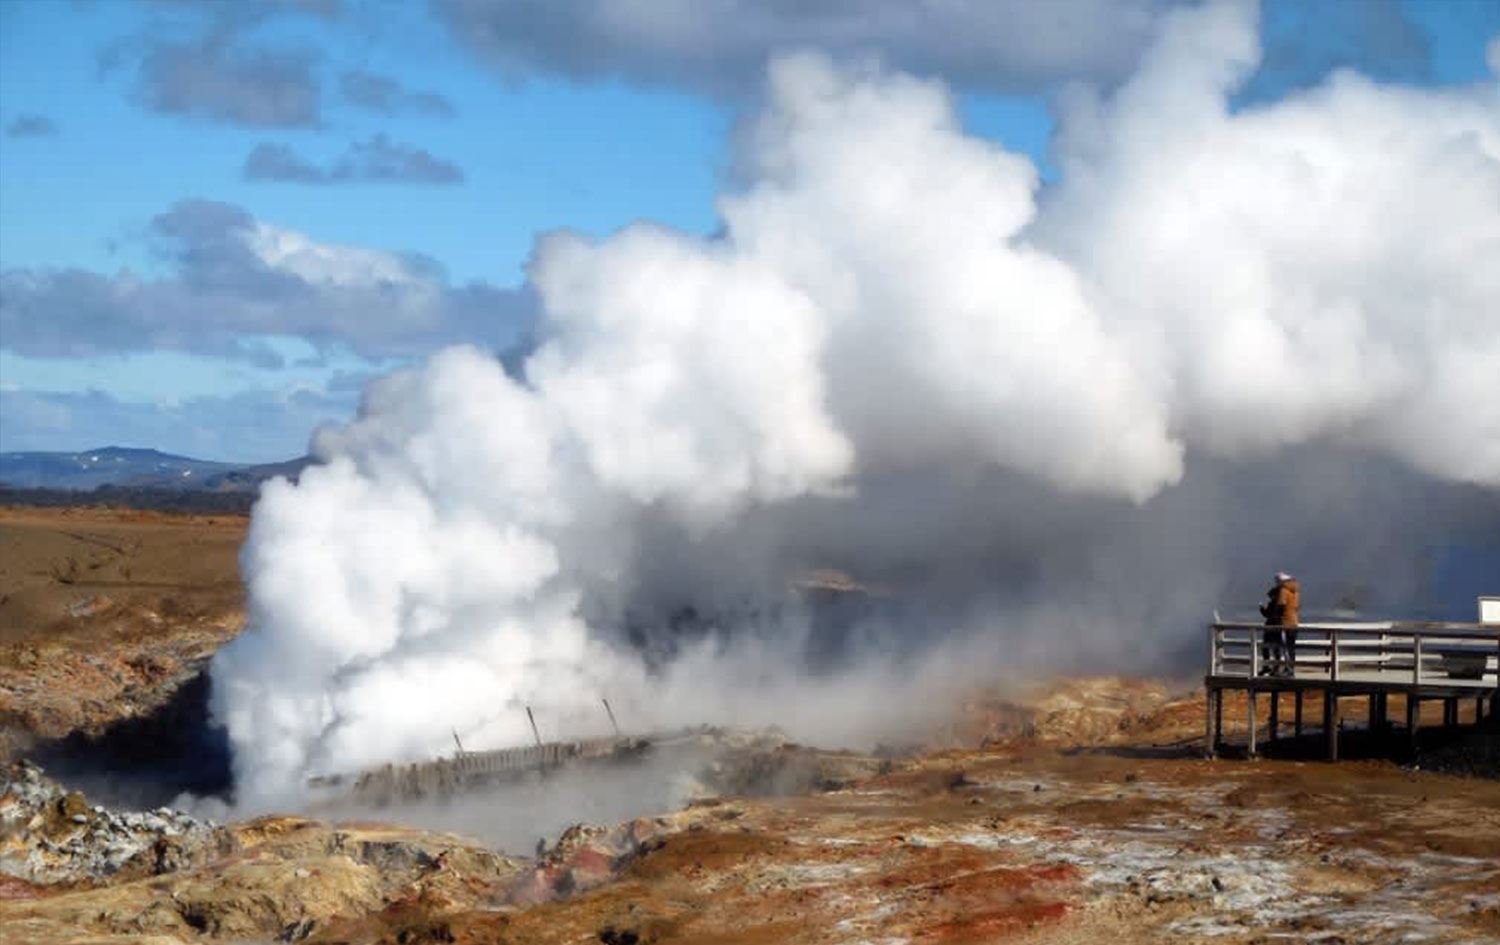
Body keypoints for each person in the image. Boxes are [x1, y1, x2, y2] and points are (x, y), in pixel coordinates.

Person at [1259, 571, 1301, 676]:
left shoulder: (1283, 590)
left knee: (1281, 647)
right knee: (1290, 647)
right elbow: (1295, 607)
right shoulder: (1295, 591)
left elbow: (1281, 605)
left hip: (1283, 623)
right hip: (1293, 622)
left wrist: (1272, 614)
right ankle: (1289, 669)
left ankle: (1283, 669)